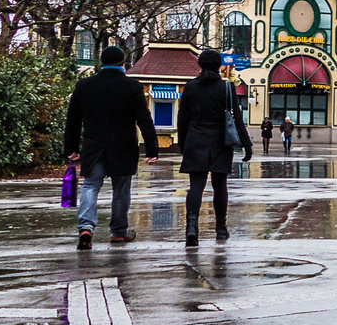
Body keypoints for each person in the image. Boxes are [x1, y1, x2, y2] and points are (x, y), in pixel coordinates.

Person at [63, 44, 158, 250]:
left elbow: (73, 120)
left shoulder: (84, 86)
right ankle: (118, 232)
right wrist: (152, 148)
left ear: (102, 62)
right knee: (121, 190)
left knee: (90, 186)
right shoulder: (132, 87)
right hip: (123, 147)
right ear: (122, 63)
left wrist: (70, 147)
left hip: (94, 146)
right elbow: (144, 119)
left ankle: (86, 228)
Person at [177, 50, 254, 246]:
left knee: (196, 186)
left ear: (200, 65)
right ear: (219, 65)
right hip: (221, 142)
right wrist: (246, 144)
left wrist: (183, 144)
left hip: (195, 140)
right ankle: (221, 229)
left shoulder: (191, 87)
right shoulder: (226, 88)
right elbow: (236, 118)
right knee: (220, 186)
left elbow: (182, 119)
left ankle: (192, 228)